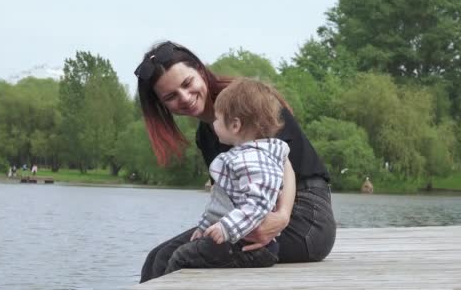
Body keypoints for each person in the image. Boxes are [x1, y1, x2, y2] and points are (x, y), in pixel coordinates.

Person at [135, 41, 336, 283]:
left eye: (187, 84)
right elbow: (226, 197)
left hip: (305, 217)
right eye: (171, 97)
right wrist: (206, 228)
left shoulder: (247, 102)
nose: (185, 98)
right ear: (162, 105)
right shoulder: (206, 135)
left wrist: (281, 217)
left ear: (200, 70)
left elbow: (284, 163)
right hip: (256, 212)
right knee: (159, 256)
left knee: (184, 256)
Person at [165, 78, 290, 274]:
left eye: (217, 119)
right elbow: (222, 203)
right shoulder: (241, 156)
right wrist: (205, 226)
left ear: (235, 125)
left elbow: (258, 204)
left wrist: (225, 228)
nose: (213, 124)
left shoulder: (254, 160)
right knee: (181, 253)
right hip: (237, 238)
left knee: (182, 257)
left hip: (251, 247)